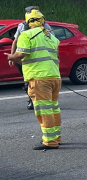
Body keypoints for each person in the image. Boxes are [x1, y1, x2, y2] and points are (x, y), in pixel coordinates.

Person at [6, 9, 62, 150]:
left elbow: (21, 54)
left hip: (39, 79)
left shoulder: (27, 35)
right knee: (53, 108)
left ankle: (49, 141)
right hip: (55, 78)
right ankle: (57, 137)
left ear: (27, 21)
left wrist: (11, 57)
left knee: (44, 111)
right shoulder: (52, 38)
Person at [8, 6, 52, 110]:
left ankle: (42, 99)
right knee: (28, 80)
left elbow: (51, 40)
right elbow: (15, 41)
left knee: (41, 80)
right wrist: (12, 56)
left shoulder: (45, 25)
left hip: (38, 57)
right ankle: (31, 100)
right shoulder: (22, 26)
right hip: (24, 57)